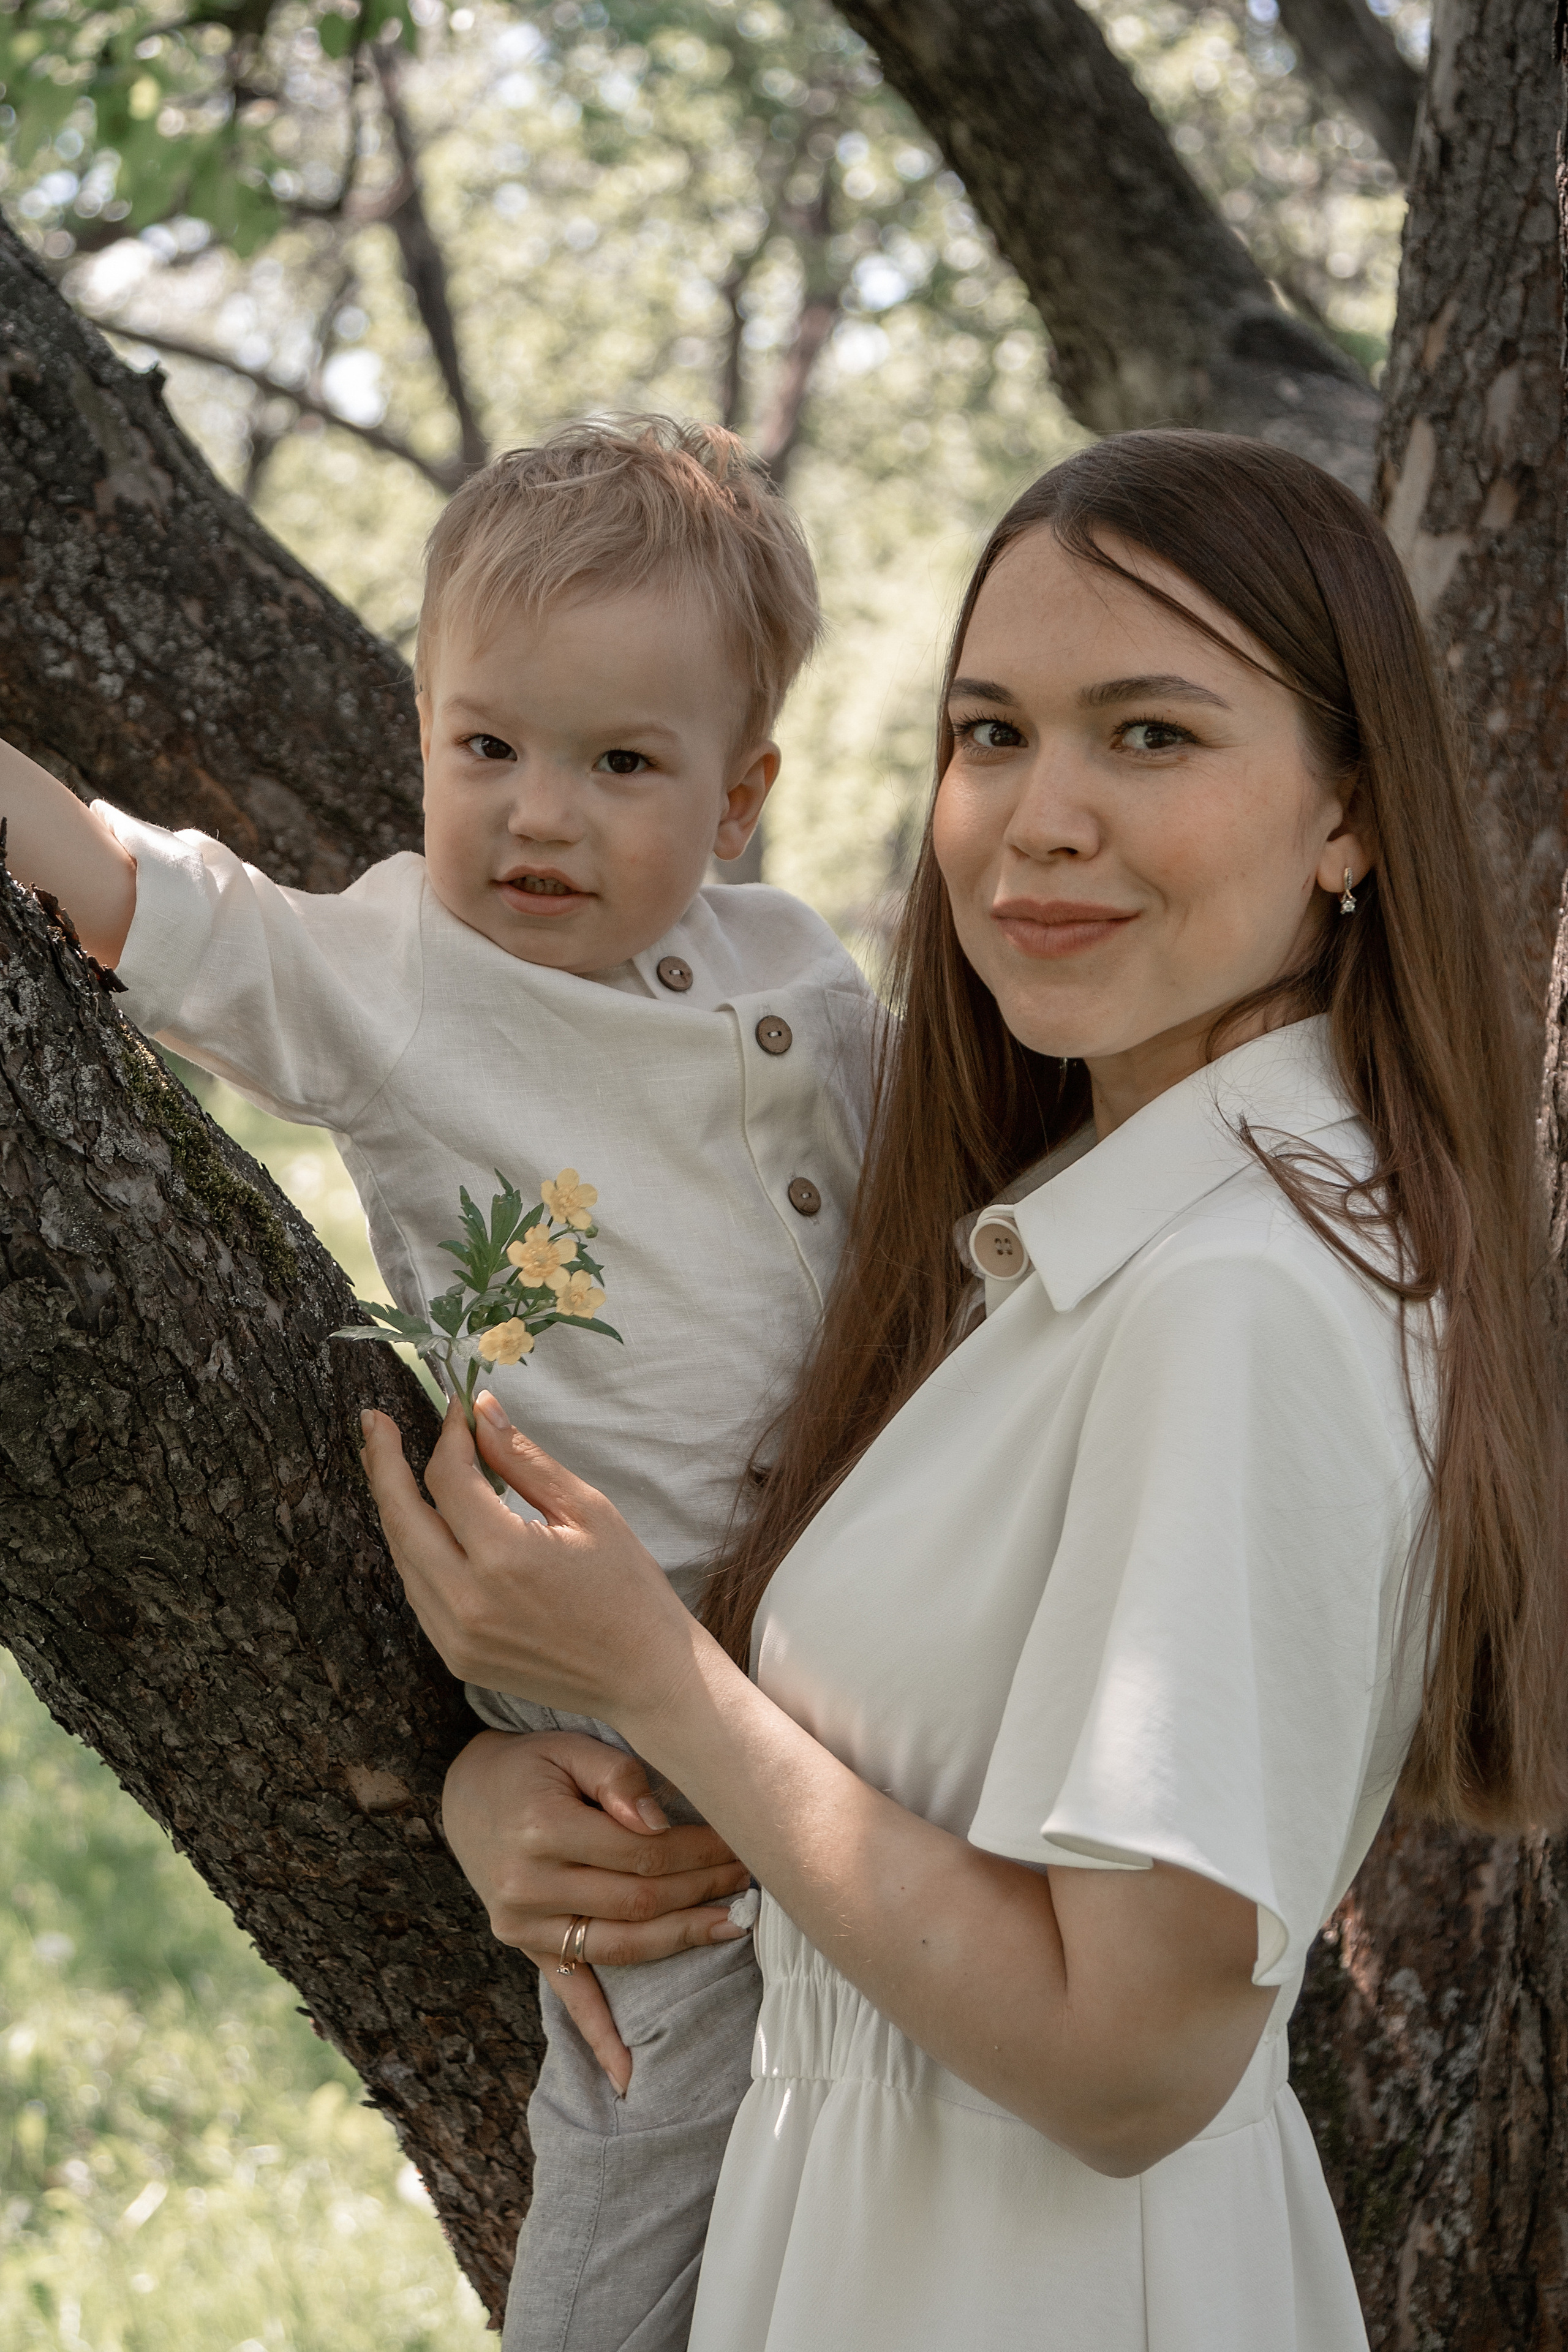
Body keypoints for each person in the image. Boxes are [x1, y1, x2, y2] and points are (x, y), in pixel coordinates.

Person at [362, 428, 1568, 2351]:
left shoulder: (1237, 1300)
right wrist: (532, 1788)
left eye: (1151, 737)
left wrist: (652, 1686)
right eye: (992, 733)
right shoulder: (1068, 1230)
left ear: (1349, 813)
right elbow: (877, 1787)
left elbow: (1131, 2059)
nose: (1039, 818)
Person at [0, 417, 880, 2352]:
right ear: (425, 726)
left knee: (891, 2075)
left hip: (852, 1644)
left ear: (742, 797)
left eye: (619, 765)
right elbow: (157, 902)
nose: (535, 816)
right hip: (611, 1680)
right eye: (487, 747)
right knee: (662, 2085)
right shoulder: (405, 975)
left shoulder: (802, 978)